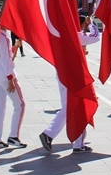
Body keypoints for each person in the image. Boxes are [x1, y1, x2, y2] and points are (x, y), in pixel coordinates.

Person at [39, 15, 99, 154]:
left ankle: (78, 144)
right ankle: (49, 134)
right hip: (72, 76)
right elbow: (96, 37)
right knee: (71, 107)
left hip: (64, 74)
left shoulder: (66, 35)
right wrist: (92, 24)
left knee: (77, 106)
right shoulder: (76, 35)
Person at [0, 27, 27, 150]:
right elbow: (7, 61)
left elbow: (6, 57)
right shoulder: (4, 37)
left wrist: (15, 47)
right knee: (20, 104)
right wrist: (10, 78)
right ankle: (13, 136)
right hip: (6, 76)